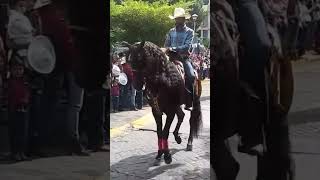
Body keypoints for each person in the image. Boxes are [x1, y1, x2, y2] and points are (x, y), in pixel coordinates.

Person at [33, 0, 89, 156]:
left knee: (50, 103)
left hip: (54, 65)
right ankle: (71, 141)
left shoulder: (45, 16)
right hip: (68, 64)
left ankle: (46, 142)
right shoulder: (57, 16)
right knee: (74, 105)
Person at [164, 7, 195, 111]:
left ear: (184, 19)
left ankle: (189, 103)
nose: (178, 21)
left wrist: (173, 48)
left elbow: (187, 46)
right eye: (176, 19)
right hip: (171, 58)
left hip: (183, 58)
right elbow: (166, 44)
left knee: (190, 76)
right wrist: (166, 49)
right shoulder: (171, 31)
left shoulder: (190, 31)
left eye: (180, 19)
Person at [8, 60, 30, 161]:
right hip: (14, 110)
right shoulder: (10, 82)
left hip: (24, 110)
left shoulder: (25, 81)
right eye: (15, 69)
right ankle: (15, 152)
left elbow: (27, 94)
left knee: (23, 133)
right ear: (11, 71)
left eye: (20, 69)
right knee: (15, 132)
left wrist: (26, 100)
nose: (18, 71)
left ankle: (21, 152)